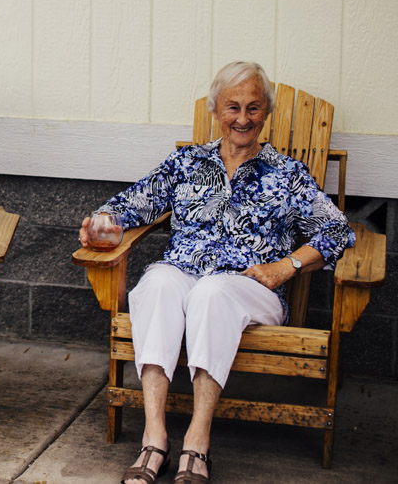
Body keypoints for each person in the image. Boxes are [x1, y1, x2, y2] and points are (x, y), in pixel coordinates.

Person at [78, 61, 353, 484]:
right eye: (233, 107)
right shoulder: (186, 162)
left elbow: (336, 229)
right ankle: (155, 439)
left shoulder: (288, 174)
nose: (243, 119)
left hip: (249, 286)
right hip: (184, 271)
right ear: (215, 111)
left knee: (212, 293)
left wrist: (287, 266)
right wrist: (101, 221)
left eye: (254, 108)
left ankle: (197, 441)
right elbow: (131, 204)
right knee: (157, 284)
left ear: (267, 113)